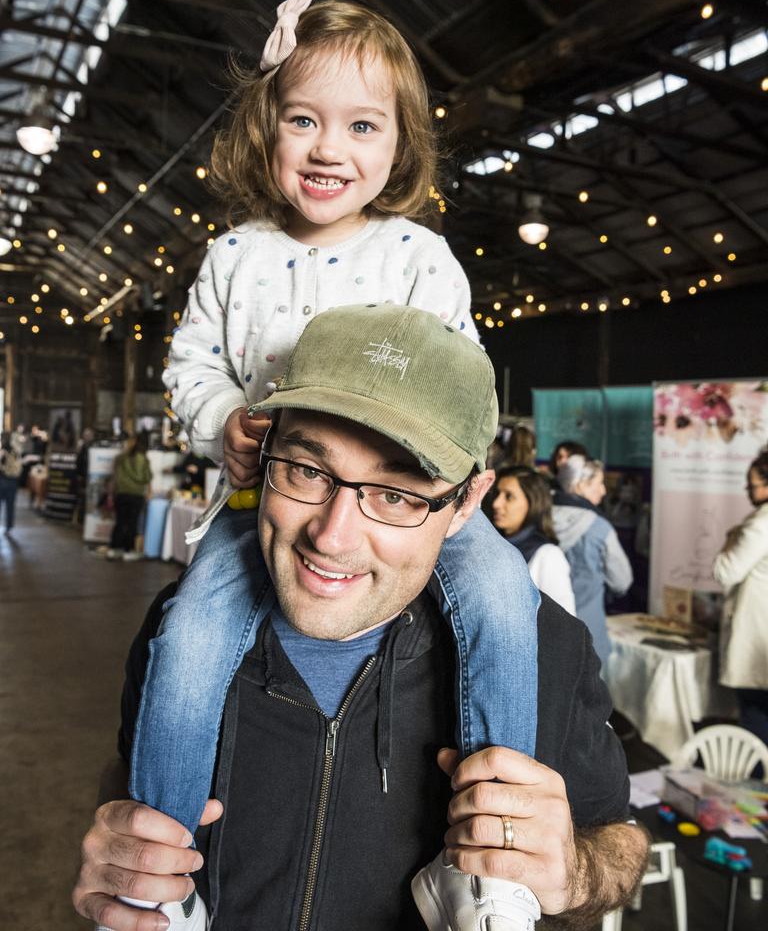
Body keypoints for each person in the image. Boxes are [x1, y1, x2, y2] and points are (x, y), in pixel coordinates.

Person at [128, 0, 539, 895]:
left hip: (399, 504)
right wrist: (221, 420)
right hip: (267, 503)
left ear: (399, 146)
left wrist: (452, 475)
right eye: (305, 119)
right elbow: (189, 367)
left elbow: (463, 384)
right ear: (267, 129)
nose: (328, 148)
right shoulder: (232, 256)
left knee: (508, 594)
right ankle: (160, 877)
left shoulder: (417, 257)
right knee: (187, 634)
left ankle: (490, 863)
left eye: (362, 126)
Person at [73, 305, 648, 931]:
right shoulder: (179, 624)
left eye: (396, 495)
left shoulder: (540, 648)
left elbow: (619, 838)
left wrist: (575, 870)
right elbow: (124, 769)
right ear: (262, 454)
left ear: (465, 505)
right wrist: (126, 846)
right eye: (306, 469)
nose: (332, 537)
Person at [552, 456, 632, 666]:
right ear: (580, 485)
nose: (604, 491)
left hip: (546, 632)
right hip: (590, 634)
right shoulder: (600, 528)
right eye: (599, 483)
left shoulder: (540, 520)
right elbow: (622, 580)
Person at [713, 446, 768, 746]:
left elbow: (725, 571)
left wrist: (731, 536)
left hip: (758, 635)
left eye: (752, 484)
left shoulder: (760, 525)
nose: (747, 491)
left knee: (756, 717)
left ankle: (755, 787)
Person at [491, 465, 575, 614]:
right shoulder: (494, 544)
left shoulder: (548, 556)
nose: (496, 504)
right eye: (497, 494)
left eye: (509, 496)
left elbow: (564, 628)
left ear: (533, 502)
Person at [108, 431, 152, 561]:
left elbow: (114, 477)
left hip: (121, 493)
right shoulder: (143, 458)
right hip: (136, 495)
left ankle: (114, 549)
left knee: (120, 522)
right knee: (132, 523)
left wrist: (111, 493)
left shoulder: (120, 458)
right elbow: (146, 477)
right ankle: (129, 551)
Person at [0, 431, 23, 532]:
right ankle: (9, 526)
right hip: (13, 481)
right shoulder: (16, 451)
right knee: (10, 505)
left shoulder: (2, 451)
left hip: (2, 480)